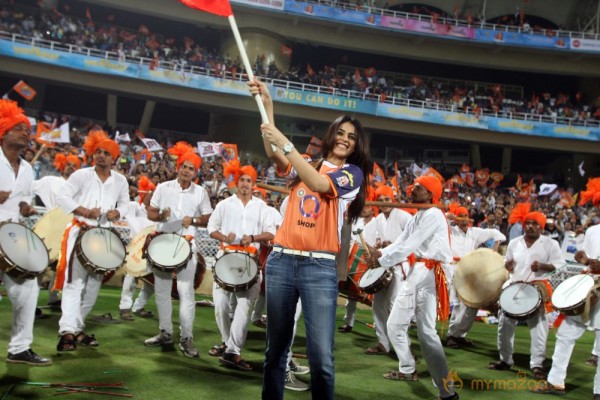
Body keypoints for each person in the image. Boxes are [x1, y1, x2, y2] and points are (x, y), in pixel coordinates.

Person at [249, 78, 371, 400]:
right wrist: (269, 105)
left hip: (320, 267)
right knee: (275, 352)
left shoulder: (352, 175)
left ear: (357, 146)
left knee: (321, 359)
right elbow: (276, 154)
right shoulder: (308, 161)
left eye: (352, 137)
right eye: (341, 133)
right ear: (332, 135)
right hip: (282, 260)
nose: (345, 140)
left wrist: (286, 144)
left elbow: (317, 183)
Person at [365, 176, 457, 400]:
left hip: (431, 275)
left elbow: (410, 244)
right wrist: (380, 254)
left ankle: (447, 393)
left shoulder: (434, 213)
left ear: (431, 193)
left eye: (419, 188)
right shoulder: (419, 215)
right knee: (395, 324)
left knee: (426, 333)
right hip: (419, 272)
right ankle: (408, 369)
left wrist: (381, 260)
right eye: (414, 187)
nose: (413, 190)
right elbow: (401, 241)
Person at [55, 129, 128, 351]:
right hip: (80, 231)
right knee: (74, 284)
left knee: (93, 286)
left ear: (114, 158)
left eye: (106, 153)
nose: (101, 156)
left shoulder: (120, 181)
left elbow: (124, 203)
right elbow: (62, 197)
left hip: (102, 236)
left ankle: (76, 329)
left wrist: (118, 213)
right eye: (98, 152)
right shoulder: (81, 175)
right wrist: (84, 211)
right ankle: (67, 331)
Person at [531, 177, 600, 397]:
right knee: (565, 335)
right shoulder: (592, 232)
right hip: (590, 291)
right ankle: (555, 382)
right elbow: (588, 261)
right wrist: (584, 259)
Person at [144, 142, 212, 358]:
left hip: (186, 244)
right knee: (162, 292)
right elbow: (150, 213)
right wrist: (160, 216)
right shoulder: (163, 188)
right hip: (162, 242)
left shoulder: (200, 192)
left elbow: (209, 218)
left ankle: (186, 337)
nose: (186, 170)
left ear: (195, 172)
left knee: (186, 292)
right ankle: (165, 331)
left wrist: (192, 219)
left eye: (191, 168)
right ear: (178, 167)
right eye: (184, 166)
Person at [207, 161, 276, 371]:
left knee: (244, 308)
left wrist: (253, 237)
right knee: (220, 305)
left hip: (251, 261)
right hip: (225, 258)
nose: (245, 184)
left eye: (249, 181)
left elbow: (271, 232)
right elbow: (212, 228)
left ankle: (233, 351)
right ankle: (228, 343)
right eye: (242, 180)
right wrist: (223, 237)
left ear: (254, 184)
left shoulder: (262, 206)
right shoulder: (224, 204)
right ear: (237, 183)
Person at [0, 99, 51, 365]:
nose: (26, 133)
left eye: (27, 129)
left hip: (12, 237)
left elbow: (23, 202)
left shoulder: (28, 168)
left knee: (29, 287)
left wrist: (25, 208)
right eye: (19, 128)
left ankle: (20, 348)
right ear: (4, 131)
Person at [488, 203, 562, 380]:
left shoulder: (551, 244)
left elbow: (559, 266)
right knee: (504, 325)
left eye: (535, 223)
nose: (530, 226)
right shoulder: (514, 242)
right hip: (514, 287)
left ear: (541, 227)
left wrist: (542, 266)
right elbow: (508, 262)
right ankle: (505, 360)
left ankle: (537, 364)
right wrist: (508, 265)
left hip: (537, 288)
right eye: (528, 223)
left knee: (538, 329)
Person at [445, 203, 506, 348]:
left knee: (472, 304)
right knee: (459, 304)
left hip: (470, 270)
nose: (464, 219)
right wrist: (448, 217)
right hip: (453, 268)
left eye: (465, 215)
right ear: (456, 219)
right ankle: (452, 335)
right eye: (460, 216)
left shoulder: (475, 232)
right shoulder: (450, 230)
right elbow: (440, 222)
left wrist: (494, 250)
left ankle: (459, 335)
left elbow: (498, 234)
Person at [364, 184, 412, 355]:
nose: (384, 202)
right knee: (378, 305)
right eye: (381, 200)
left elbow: (413, 240)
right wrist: (374, 247)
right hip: (383, 267)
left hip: (400, 266)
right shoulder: (377, 220)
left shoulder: (404, 216)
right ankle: (383, 343)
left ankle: (405, 346)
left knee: (395, 305)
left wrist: (392, 246)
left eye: (387, 199)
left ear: (393, 200)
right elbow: (362, 237)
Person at [31, 152, 81, 308]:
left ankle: (54, 298)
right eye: (68, 164)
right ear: (62, 166)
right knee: (39, 265)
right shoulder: (50, 181)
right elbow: (29, 186)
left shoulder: (80, 189)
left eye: (74, 165)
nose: (71, 168)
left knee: (63, 265)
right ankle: (31, 303)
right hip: (49, 226)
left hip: (69, 228)